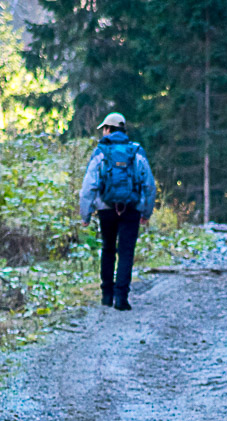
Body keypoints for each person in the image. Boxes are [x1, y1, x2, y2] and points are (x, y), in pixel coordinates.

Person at [79, 112, 157, 311]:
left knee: (108, 248)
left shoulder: (100, 152)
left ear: (107, 130)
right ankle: (121, 298)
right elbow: (148, 185)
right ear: (124, 130)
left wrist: (85, 215)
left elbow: (88, 187)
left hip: (106, 209)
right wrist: (146, 213)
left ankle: (107, 295)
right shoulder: (136, 152)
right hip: (131, 209)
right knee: (126, 252)